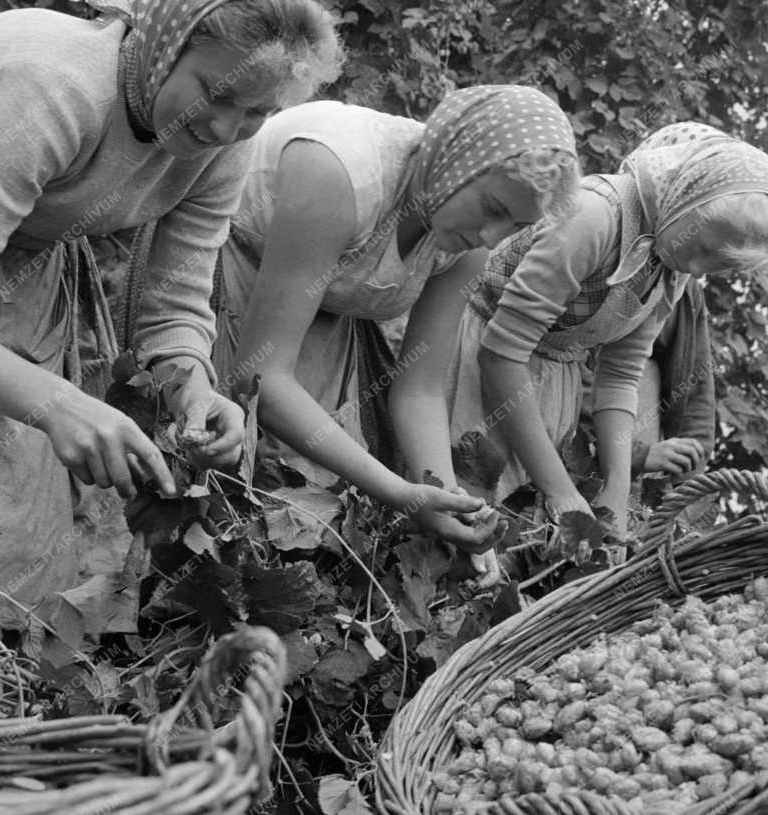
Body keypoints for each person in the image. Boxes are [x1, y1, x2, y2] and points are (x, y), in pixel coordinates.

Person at [0, 0, 343, 627]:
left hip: (20, 264)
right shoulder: (56, 86)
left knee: (14, 522)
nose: (224, 125)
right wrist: (55, 402)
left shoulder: (222, 146)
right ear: (165, 41)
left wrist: (194, 389)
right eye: (216, 92)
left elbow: (176, 298)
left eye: (256, 113)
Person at [213, 85, 579, 551]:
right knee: (220, 489)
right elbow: (260, 374)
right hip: (228, 294)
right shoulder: (339, 173)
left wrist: (449, 502)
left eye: (516, 227)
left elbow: (420, 388)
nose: (491, 235)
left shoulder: (466, 245)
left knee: (297, 513)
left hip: (318, 336)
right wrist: (396, 491)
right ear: (458, 156)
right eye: (492, 209)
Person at [446, 121, 768, 536]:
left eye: (720, 265)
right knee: (464, 510)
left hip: (549, 388)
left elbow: (620, 373)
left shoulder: (671, 270)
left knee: (519, 533)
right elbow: (500, 353)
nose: (697, 268)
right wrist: (561, 489)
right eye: (702, 248)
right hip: (476, 367)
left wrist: (616, 491)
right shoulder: (596, 217)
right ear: (685, 197)